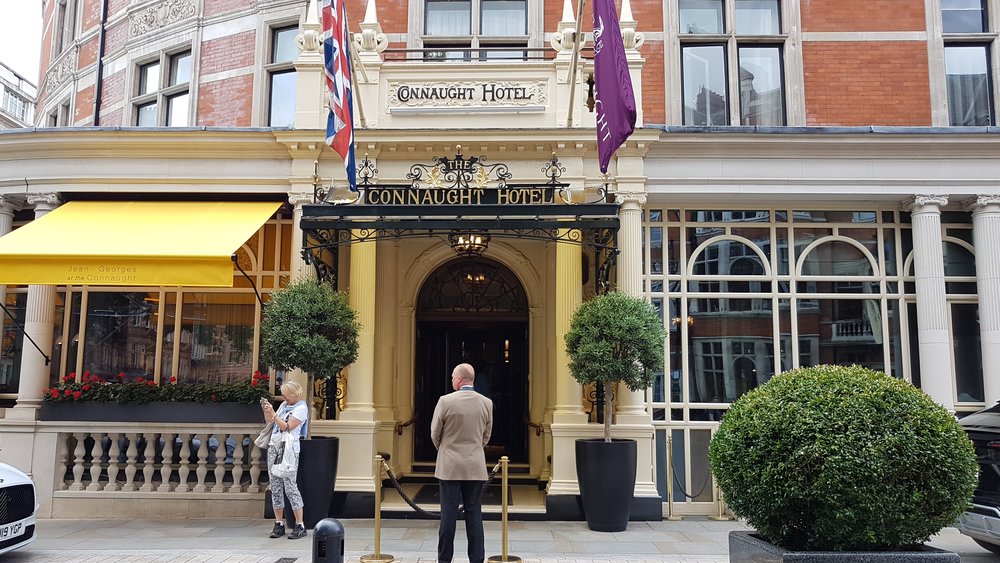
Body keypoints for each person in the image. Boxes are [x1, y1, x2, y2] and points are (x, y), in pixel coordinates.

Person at [431, 363, 493, 563]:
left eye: (452, 377)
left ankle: (444, 559)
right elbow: (486, 435)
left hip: (449, 466)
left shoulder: (445, 401)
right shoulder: (486, 403)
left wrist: (446, 449)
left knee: (448, 516)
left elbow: (435, 433)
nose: (451, 380)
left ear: (458, 379)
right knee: (474, 515)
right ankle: (476, 559)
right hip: (475, 465)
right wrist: (474, 449)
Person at [261, 380, 309, 540]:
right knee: (275, 486)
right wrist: (268, 411)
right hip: (274, 446)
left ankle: (300, 524)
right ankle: (279, 523)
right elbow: (271, 422)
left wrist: (274, 415)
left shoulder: (301, 408)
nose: (285, 398)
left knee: (290, 486)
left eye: (287, 395)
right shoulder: (283, 406)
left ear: (295, 393)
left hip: (289, 450)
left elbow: (287, 427)